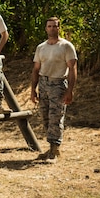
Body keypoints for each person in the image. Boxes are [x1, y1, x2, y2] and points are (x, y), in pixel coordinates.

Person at [31, 17, 78, 163]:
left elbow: (72, 68)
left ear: (59, 28)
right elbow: (36, 69)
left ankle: (54, 149)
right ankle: (52, 147)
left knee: (56, 117)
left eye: (54, 26)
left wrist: (70, 90)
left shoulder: (66, 46)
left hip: (58, 84)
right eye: (49, 26)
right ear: (46, 28)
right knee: (45, 116)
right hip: (44, 84)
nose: (52, 28)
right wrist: (33, 89)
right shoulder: (41, 47)